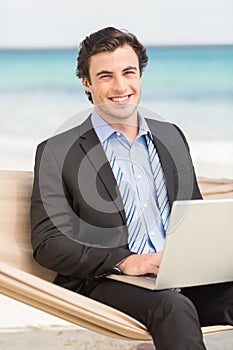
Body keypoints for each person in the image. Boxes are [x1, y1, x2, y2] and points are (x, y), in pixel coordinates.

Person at [31, 27, 233, 350]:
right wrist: (125, 261)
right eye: (106, 76)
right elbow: (47, 244)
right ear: (87, 82)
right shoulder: (57, 151)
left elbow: (192, 213)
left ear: (140, 75)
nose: (120, 86)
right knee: (174, 309)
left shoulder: (171, 137)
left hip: (178, 277)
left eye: (128, 72)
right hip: (106, 281)